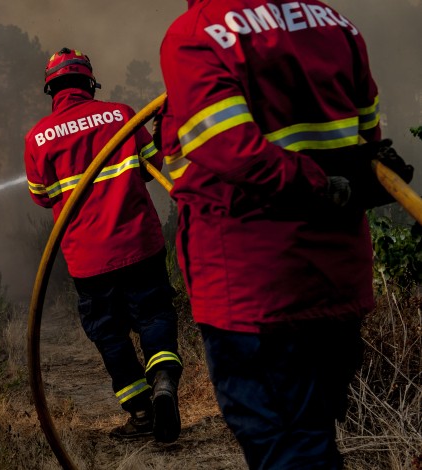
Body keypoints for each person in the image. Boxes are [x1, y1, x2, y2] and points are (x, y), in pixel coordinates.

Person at [155, 1, 414, 468]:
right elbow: (367, 139)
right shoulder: (334, 23)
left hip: (258, 291)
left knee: (288, 450)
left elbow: (230, 151)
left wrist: (314, 184)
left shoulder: (196, 35)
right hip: (338, 285)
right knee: (311, 438)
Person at [24, 47, 183, 442]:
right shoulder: (122, 115)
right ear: (89, 82)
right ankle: (163, 378)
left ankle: (141, 413)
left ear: (51, 88)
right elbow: (151, 167)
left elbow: (42, 197)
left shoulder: (37, 138)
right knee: (153, 314)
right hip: (140, 244)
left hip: (88, 260)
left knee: (109, 333)